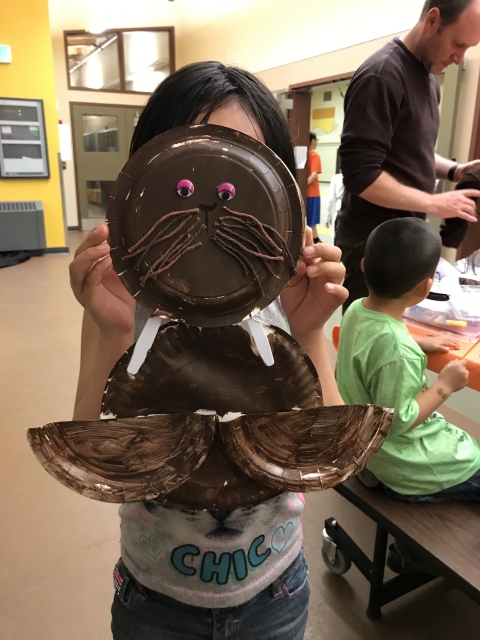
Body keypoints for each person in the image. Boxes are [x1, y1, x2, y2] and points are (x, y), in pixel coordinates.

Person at [69, 61, 348, 640]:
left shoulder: (288, 301)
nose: (213, 205)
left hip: (276, 588)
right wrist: (114, 330)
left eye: (243, 163)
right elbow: (98, 460)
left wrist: (311, 328)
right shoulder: (125, 302)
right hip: (155, 599)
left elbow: (327, 457)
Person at [337, 0, 480, 312]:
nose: (459, 58)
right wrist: (433, 203)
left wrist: (455, 170)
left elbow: (414, 152)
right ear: (432, 20)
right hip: (370, 246)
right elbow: (360, 174)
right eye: (457, 44)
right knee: (368, 347)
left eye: (468, 48)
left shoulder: (429, 79)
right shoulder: (382, 75)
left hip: (401, 241)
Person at [336, 218, 480, 508]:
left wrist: (416, 343)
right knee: (473, 458)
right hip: (403, 464)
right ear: (426, 288)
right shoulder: (397, 350)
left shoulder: (354, 310)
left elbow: (375, 347)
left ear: (364, 266)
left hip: (363, 444)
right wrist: (444, 386)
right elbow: (400, 421)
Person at [325, 154, 344, 242]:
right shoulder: (357, 178)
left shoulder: (336, 178)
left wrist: (327, 218)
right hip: (352, 213)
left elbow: (330, 200)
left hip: (338, 210)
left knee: (336, 239)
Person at [307, 132, 322, 243]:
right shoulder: (314, 155)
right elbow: (313, 176)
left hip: (304, 193)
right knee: (312, 221)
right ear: (312, 141)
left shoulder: (301, 153)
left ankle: (315, 240)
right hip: (312, 193)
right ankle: (314, 242)